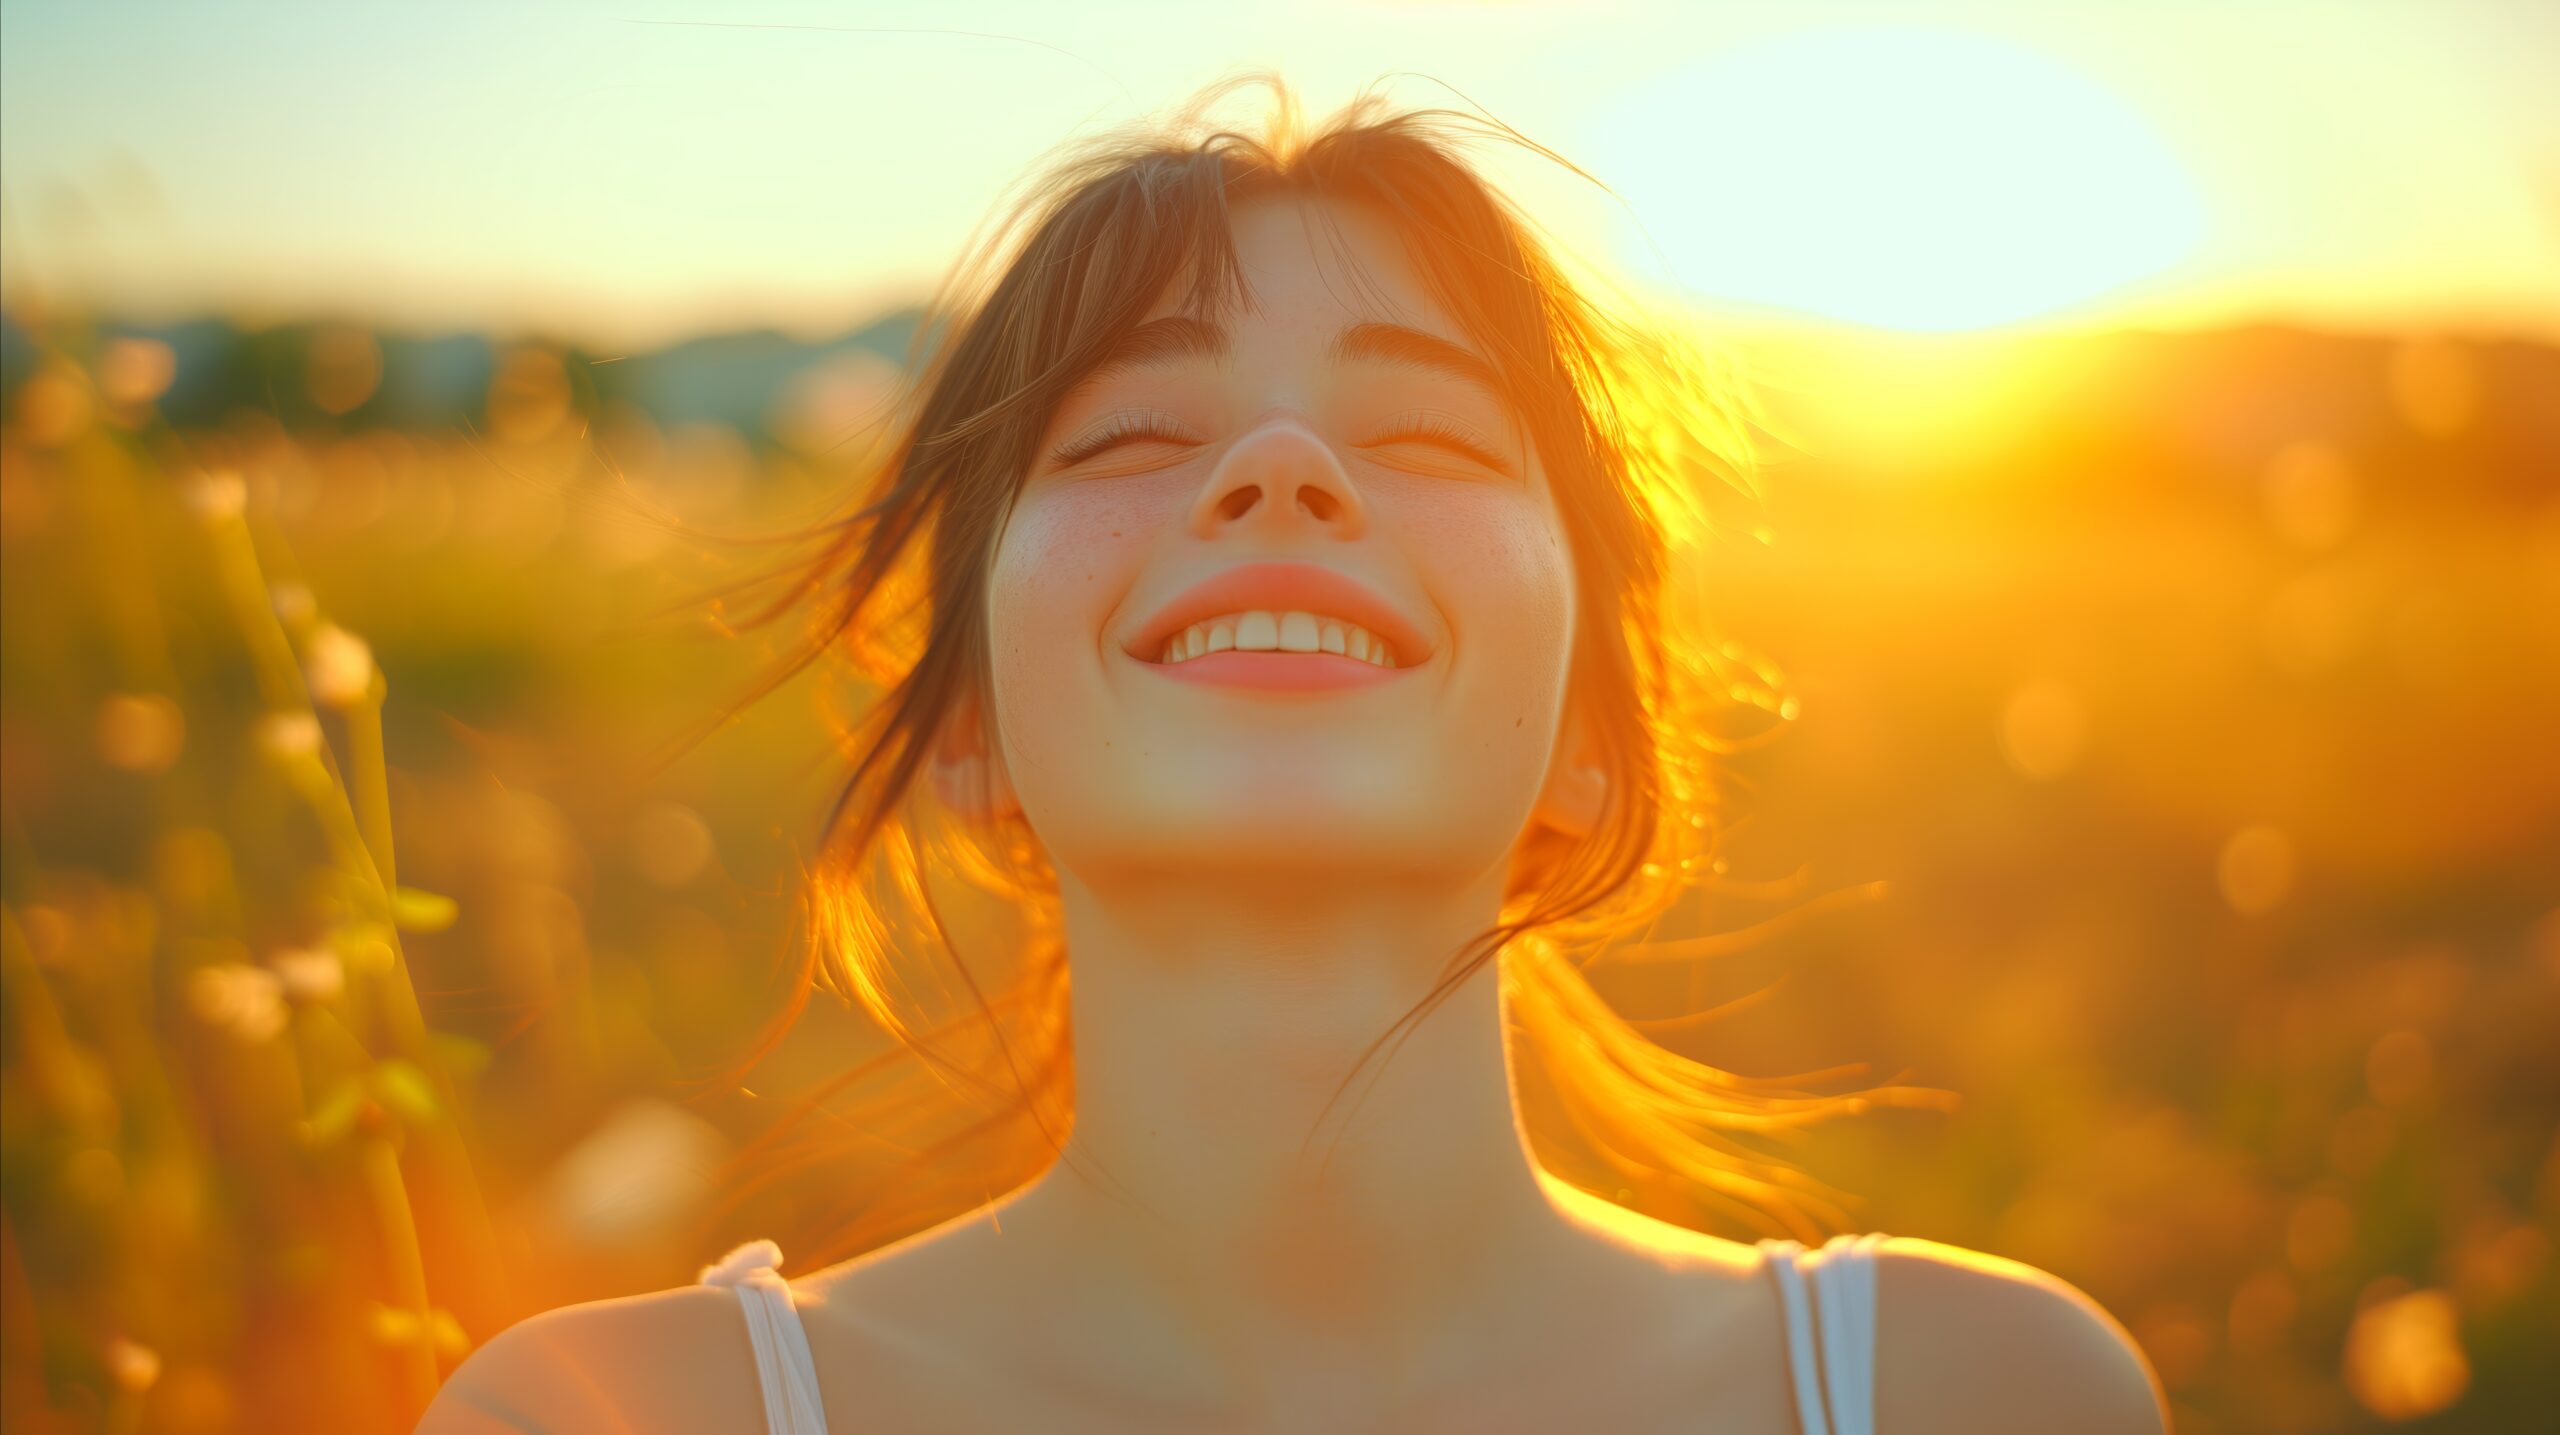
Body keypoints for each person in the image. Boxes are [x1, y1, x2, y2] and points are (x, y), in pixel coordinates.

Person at [420, 76, 2167, 1434]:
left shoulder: (1971, 1396)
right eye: (1133, 432)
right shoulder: (604, 1420)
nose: (1273, 470)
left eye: (1418, 428)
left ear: (1591, 743)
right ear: (966, 726)